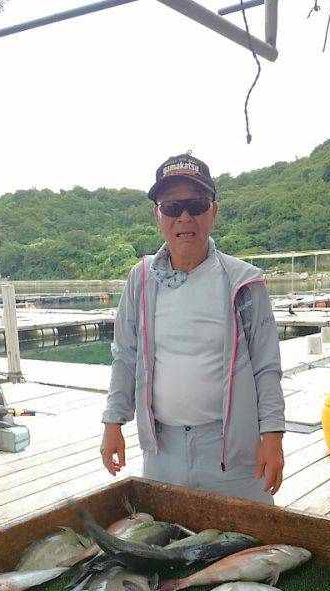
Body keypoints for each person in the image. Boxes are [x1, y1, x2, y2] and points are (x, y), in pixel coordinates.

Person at [100, 153, 285, 504]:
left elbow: (266, 366)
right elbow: (125, 357)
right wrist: (113, 424)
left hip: (233, 453)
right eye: (171, 207)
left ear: (213, 211)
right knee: (163, 548)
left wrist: (272, 436)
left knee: (251, 544)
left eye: (196, 204)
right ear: (157, 215)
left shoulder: (244, 283)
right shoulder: (140, 280)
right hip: (162, 451)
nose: (184, 216)